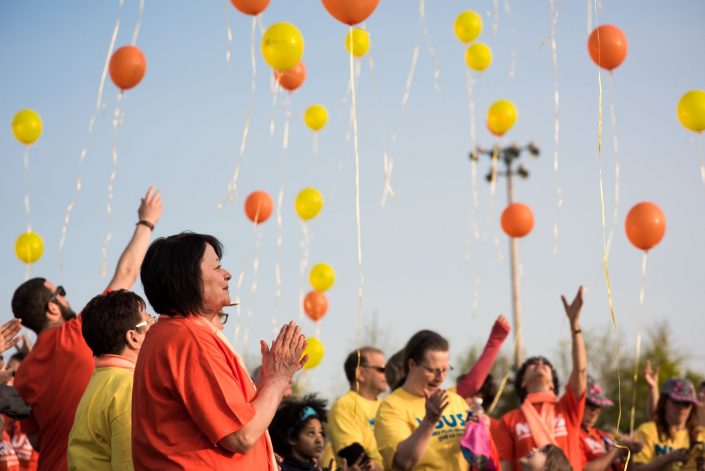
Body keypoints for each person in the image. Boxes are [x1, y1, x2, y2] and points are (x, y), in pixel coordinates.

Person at [10, 187, 162, 471]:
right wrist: (147, 221)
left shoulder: (23, 375)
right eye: (61, 292)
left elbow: (35, 440)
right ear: (52, 308)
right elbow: (127, 274)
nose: (67, 297)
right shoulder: (78, 333)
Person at [132, 232, 306, 469]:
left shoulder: (173, 333)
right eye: (217, 267)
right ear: (187, 278)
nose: (227, 274)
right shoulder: (188, 338)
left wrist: (265, 382)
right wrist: (277, 380)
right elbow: (241, 435)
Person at [494, 287, 588, 471]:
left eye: (546, 364)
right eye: (533, 364)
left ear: (553, 383)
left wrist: (574, 324)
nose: (540, 364)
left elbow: (580, 371)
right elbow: (504, 466)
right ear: (522, 382)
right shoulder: (509, 420)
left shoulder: (567, 407)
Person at [67, 290, 154, 470]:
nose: (155, 325)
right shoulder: (128, 388)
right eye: (150, 320)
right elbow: (130, 465)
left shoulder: (102, 379)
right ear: (133, 337)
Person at [374, 329, 470, 470]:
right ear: (412, 365)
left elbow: (477, 456)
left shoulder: (456, 401)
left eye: (445, 369)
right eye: (432, 370)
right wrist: (429, 422)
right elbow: (404, 462)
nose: (440, 377)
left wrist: (480, 429)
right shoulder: (391, 406)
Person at [328, 347, 387, 470]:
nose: (387, 373)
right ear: (360, 373)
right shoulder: (344, 405)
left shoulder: (388, 405)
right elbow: (353, 454)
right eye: (382, 369)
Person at [633, 377, 705, 470]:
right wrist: (669, 458)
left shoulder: (700, 435)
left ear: (692, 407)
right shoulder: (648, 430)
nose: (681, 408)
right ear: (664, 402)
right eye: (676, 402)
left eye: (686, 404)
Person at [580, 376, 641, 471]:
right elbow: (583, 469)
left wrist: (629, 452)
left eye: (598, 406)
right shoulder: (572, 436)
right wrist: (617, 451)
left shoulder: (603, 437)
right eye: (589, 405)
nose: (593, 412)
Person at [455, 315, 511, 401]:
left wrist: (495, 340)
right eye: (430, 370)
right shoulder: (441, 400)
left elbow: (471, 385)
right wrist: (495, 339)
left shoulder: (447, 399)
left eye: (444, 369)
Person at [270, 395, 331, 471]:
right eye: (311, 433)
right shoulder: (279, 468)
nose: (319, 440)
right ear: (292, 438)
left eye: (321, 433)